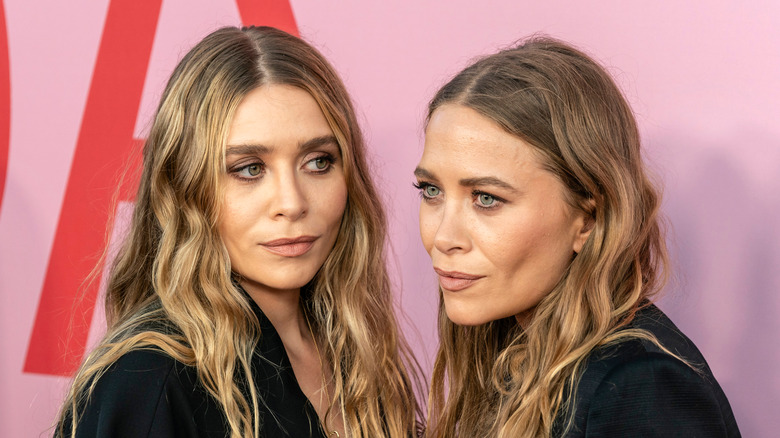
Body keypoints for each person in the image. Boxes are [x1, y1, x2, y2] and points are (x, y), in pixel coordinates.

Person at [56, 26, 421, 438]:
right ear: (185, 188)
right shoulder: (150, 379)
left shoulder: (359, 353)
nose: (292, 203)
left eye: (318, 161)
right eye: (249, 169)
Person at [414, 36, 740, 437]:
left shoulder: (638, 385)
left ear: (588, 219)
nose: (443, 237)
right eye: (431, 190)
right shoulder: (516, 351)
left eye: (486, 198)